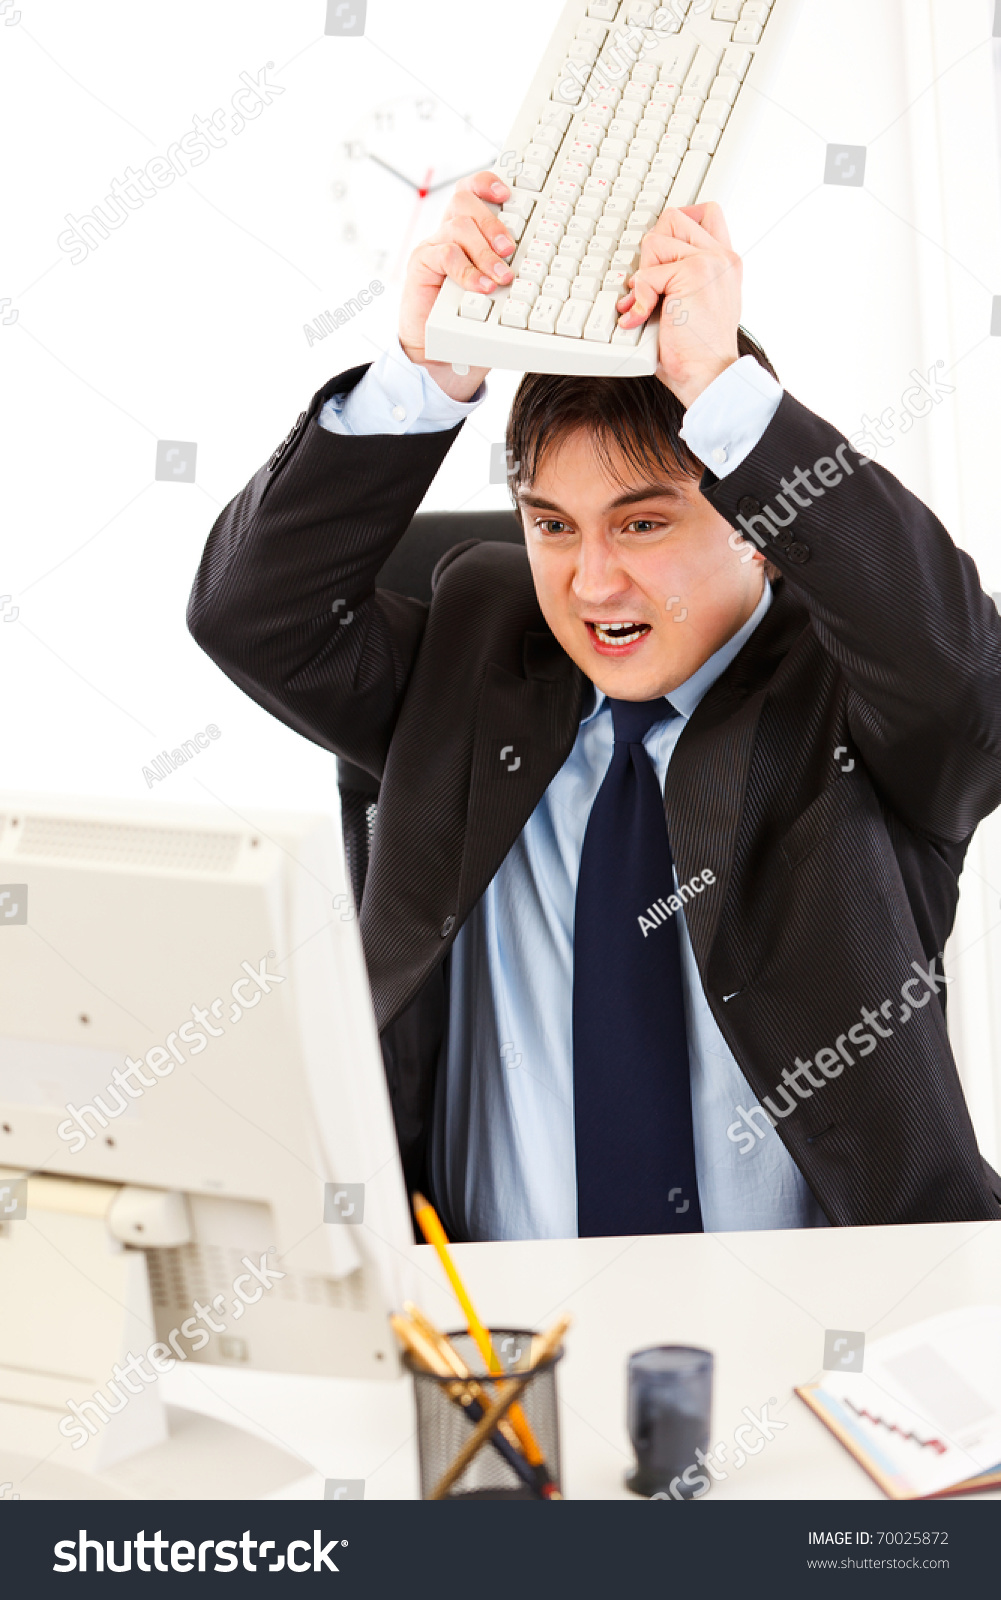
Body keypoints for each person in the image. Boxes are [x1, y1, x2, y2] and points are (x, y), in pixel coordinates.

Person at [188, 170, 1001, 1242]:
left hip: (822, 1327)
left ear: (755, 520)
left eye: (643, 525)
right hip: (490, 1329)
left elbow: (964, 679)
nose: (591, 583)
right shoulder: (478, 640)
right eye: (553, 525)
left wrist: (721, 393)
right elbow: (251, 612)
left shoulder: (849, 692)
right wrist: (422, 373)